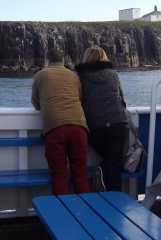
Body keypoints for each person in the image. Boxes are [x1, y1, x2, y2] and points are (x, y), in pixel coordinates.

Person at [31, 48, 90, 195]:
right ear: (63, 60)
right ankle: (84, 212)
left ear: (47, 61)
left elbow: (36, 102)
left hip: (55, 128)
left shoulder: (40, 75)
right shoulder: (74, 76)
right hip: (79, 127)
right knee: (81, 174)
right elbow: (80, 98)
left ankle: (63, 213)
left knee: (59, 176)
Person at [75, 45, 127, 192]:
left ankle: (101, 174)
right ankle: (114, 201)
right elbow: (121, 97)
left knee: (111, 160)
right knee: (114, 163)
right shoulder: (112, 74)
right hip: (117, 123)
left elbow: (78, 99)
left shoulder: (80, 77)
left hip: (95, 127)